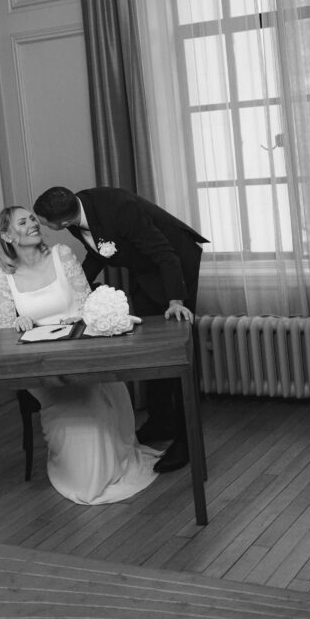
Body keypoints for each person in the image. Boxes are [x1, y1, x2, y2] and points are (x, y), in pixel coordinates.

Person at [0, 205, 162, 505]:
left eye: (33, 218)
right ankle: (78, 474)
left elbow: (86, 303)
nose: (33, 223)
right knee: (72, 404)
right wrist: (18, 323)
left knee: (94, 400)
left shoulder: (62, 256)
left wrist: (78, 319)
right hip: (40, 364)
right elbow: (7, 332)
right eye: (23, 221)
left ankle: (109, 468)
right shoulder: (2, 277)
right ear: (7, 235)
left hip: (81, 351)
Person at [33, 185, 208, 474]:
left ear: (62, 222)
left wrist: (176, 300)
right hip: (145, 268)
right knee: (147, 347)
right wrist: (76, 289)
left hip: (174, 263)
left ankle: (187, 440)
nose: (43, 226)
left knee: (173, 347)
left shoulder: (120, 209)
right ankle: (161, 420)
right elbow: (99, 253)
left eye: (44, 222)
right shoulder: (77, 212)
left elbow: (164, 253)